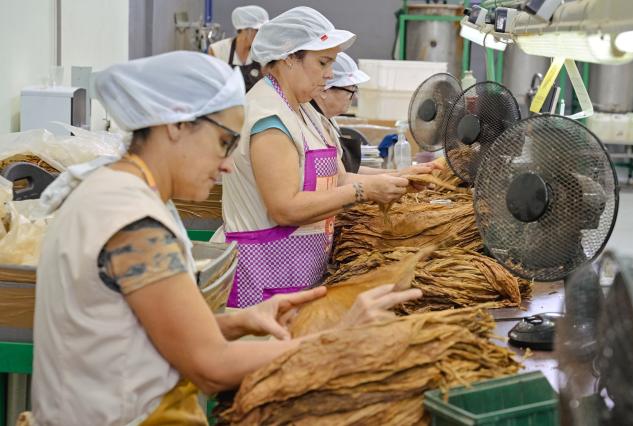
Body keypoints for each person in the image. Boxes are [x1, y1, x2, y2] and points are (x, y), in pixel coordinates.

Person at [30, 51, 421, 425]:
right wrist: (336, 338)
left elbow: (130, 334)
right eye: (223, 143)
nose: (228, 164)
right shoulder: (133, 224)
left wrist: (238, 323)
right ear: (177, 125)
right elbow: (210, 367)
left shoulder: (119, 193)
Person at [219, 7, 438, 308]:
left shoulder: (305, 111)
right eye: (322, 62)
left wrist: (400, 178)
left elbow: (338, 177)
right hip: (264, 275)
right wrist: (365, 192)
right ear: (287, 58)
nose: (330, 74)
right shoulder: (269, 119)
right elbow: (285, 209)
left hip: (301, 268)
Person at [312, 52, 441, 176]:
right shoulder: (313, 128)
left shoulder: (328, 121)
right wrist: (397, 177)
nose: (355, 97)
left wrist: (402, 173)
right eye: (350, 90)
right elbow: (341, 179)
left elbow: (350, 171)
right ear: (324, 90)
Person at [208, 5, 268, 91]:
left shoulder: (263, 52)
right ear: (245, 29)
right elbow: (212, 85)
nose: (261, 35)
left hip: (254, 102)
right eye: (258, 30)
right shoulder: (217, 50)